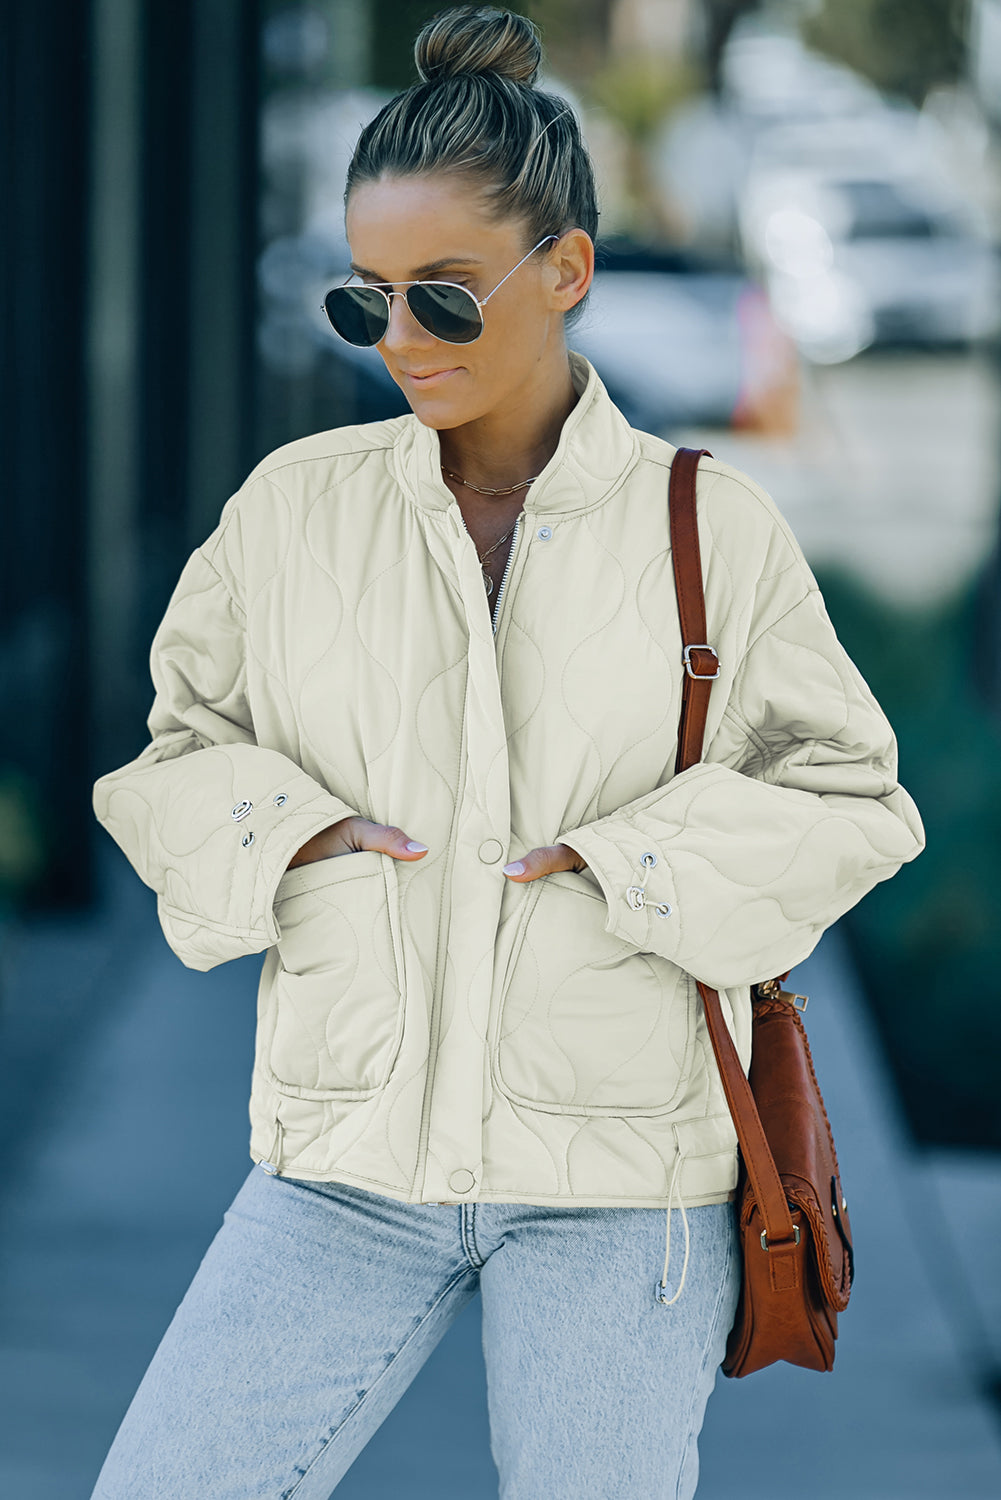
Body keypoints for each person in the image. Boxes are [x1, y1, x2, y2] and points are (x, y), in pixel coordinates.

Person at [88, 6, 925, 1497]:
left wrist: (629, 864)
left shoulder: (703, 523)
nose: (401, 342)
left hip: (622, 1186)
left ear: (567, 273)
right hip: (343, 1165)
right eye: (367, 304)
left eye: (445, 300)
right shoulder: (294, 508)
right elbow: (170, 749)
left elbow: (855, 796)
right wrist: (291, 834)